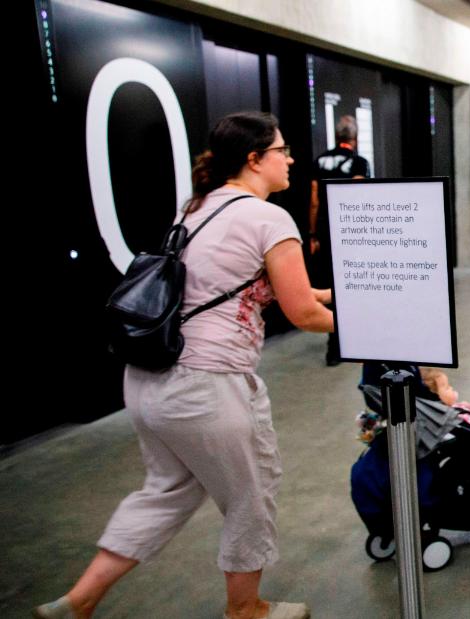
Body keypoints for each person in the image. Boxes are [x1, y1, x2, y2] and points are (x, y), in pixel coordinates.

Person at [34, 112, 333, 619]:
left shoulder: (196, 208)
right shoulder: (269, 218)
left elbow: (247, 290)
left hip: (152, 380)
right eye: (282, 150)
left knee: (164, 492)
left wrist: (335, 297)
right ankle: (246, 609)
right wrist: (369, 325)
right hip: (208, 385)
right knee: (251, 495)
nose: (291, 159)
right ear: (255, 158)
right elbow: (302, 312)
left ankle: (76, 602)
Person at [309, 115, 370, 365]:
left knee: (331, 285)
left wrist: (313, 234)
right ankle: (353, 341)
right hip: (349, 232)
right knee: (353, 284)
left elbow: (314, 200)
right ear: (354, 139)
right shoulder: (359, 162)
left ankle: (333, 348)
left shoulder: (320, 160)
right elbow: (358, 197)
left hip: (324, 232)